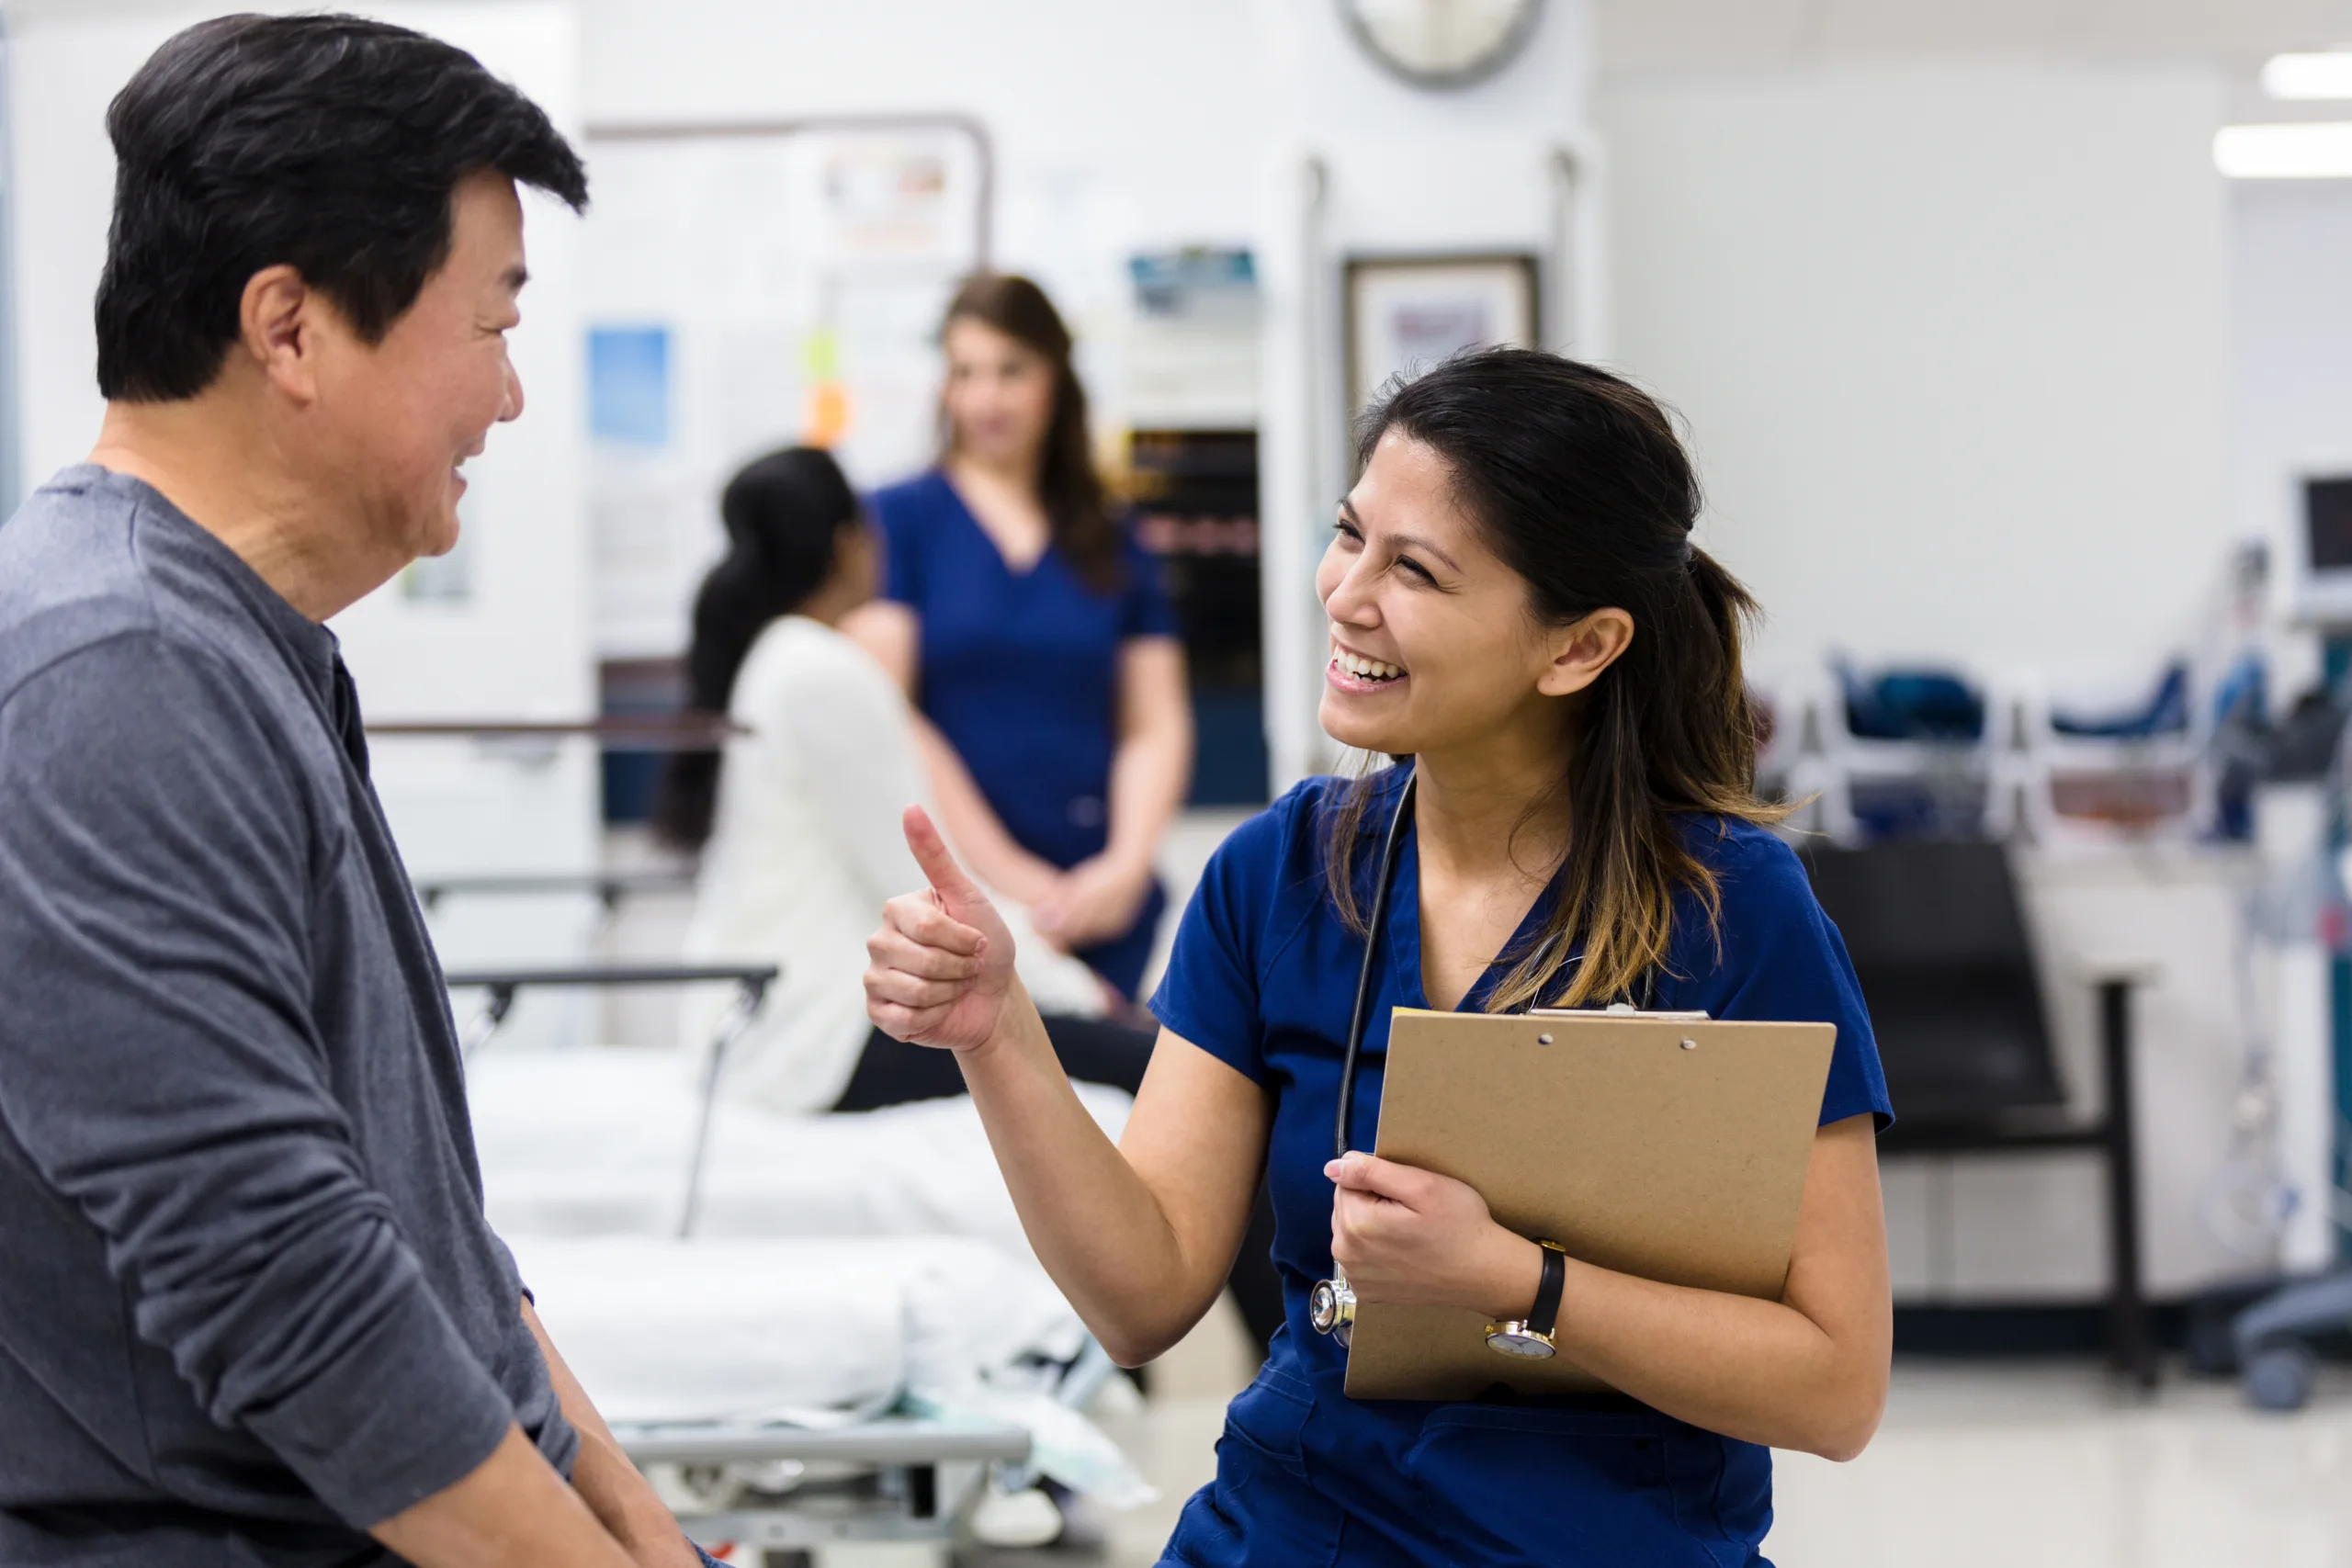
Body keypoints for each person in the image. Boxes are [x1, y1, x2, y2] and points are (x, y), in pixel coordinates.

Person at [865, 348, 1896, 1565]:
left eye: (1415, 569)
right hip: (1297, 1527)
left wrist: (1515, 1275)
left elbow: (1834, 1384)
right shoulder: (1278, 877)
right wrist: (998, 1033)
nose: (1346, 593)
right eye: (1349, 534)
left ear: (1578, 646)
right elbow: (1138, 1298)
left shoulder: (1728, 908)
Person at [0, 17, 710, 1568]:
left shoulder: (246, 647)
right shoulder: (109, 669)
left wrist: (649, 1540)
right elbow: (295, 1290)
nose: (510, 399)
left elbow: (430, 1249)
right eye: (491, 325)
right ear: (293, 328)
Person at [652, 446, 1287, 1348]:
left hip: (785, 1027)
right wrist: (1082, 988)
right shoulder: (823, 674)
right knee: (1186, 1078)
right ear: (844, 546)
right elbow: (928, 878)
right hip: (822, 1037)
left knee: (1150, 1066)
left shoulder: (776, 660)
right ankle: (1287, 1362)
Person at [851, 274, 1193, 1001]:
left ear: (1055, 378)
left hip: (1101, 907)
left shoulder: (1111, 534)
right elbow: (891, 718)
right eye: (965, 373)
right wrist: (1010, 878)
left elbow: (1155, 721)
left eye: (1011, 371)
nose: (987, 399)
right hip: (955, 901)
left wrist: (1126, 867)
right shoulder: (897, 521)